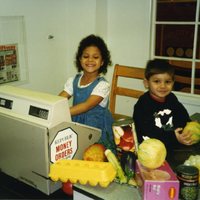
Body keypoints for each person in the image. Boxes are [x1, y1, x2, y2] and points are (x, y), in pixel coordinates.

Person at [132, 59, 196, 161]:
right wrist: (174, 136)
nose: (163, 86)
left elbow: (181, 115)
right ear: (146, 83)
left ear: (173, 83)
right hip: (149, 149)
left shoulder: (172, 98)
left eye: (167, 82)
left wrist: (188, 124)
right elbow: (149, 130)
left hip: (171, 147)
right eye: (157, 81)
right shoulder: (142, 104)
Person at [59, 34, 115, 150]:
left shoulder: (103, 85)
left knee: (95, 156)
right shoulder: (73, 81)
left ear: (102, 61)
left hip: (96, 129)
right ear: (80, 59)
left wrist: (61, 113)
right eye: (85, 56)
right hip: (77, 125)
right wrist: (52, 108)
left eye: (95, 57)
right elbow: (60, 99)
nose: (90, 60)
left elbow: (86, 106)